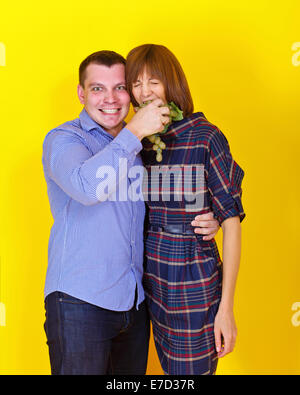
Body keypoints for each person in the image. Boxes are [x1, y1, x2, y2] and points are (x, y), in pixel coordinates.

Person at [42, 50, 218, 375]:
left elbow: (166, 203)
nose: (110, 99)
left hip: (135, 305)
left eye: (120, 87)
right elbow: (87, 187)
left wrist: (212, 218)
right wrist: (133, 133)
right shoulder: (64, 140)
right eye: (97, 88)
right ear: (81, 93)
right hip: (80, 303)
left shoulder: (144, 146)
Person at [125, 44, 245, 375]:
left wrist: (226, 309)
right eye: (136, 83)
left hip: (192, 281)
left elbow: (232, 222)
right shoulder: (135, 140)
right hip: (147, 280)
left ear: (171, 81)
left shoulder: (205, 137)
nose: (144, 91)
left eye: (153, 81)